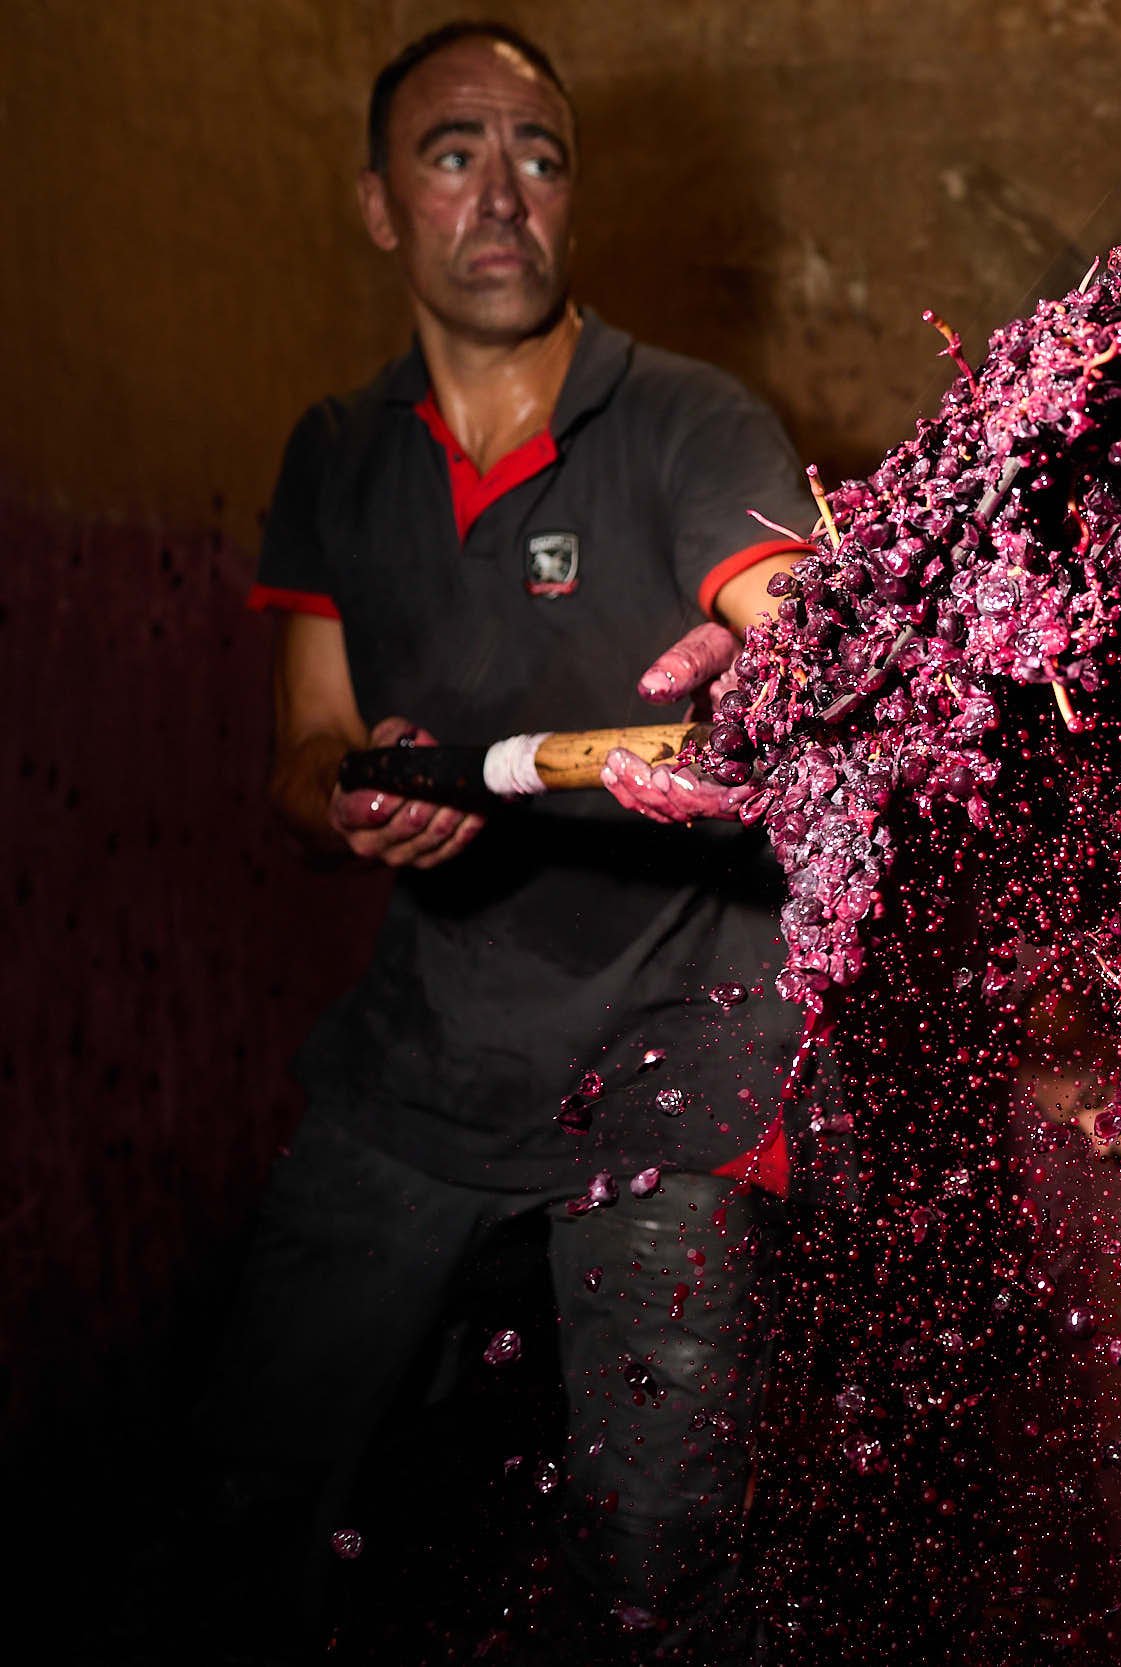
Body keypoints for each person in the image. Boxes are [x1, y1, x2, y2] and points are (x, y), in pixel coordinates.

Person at [207, 20, 814, 1659]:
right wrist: (353, 800)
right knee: (265, 1488)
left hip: (680, 1055)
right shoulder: (337, 455)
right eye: (451, 152)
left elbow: (802, 644)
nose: (500, 193)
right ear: (379, 206)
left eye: (538, 155)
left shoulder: (692, 424)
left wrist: (823, 646)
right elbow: (300, 755)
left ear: (574, 197)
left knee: (658, 1565)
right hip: (429, 1061)